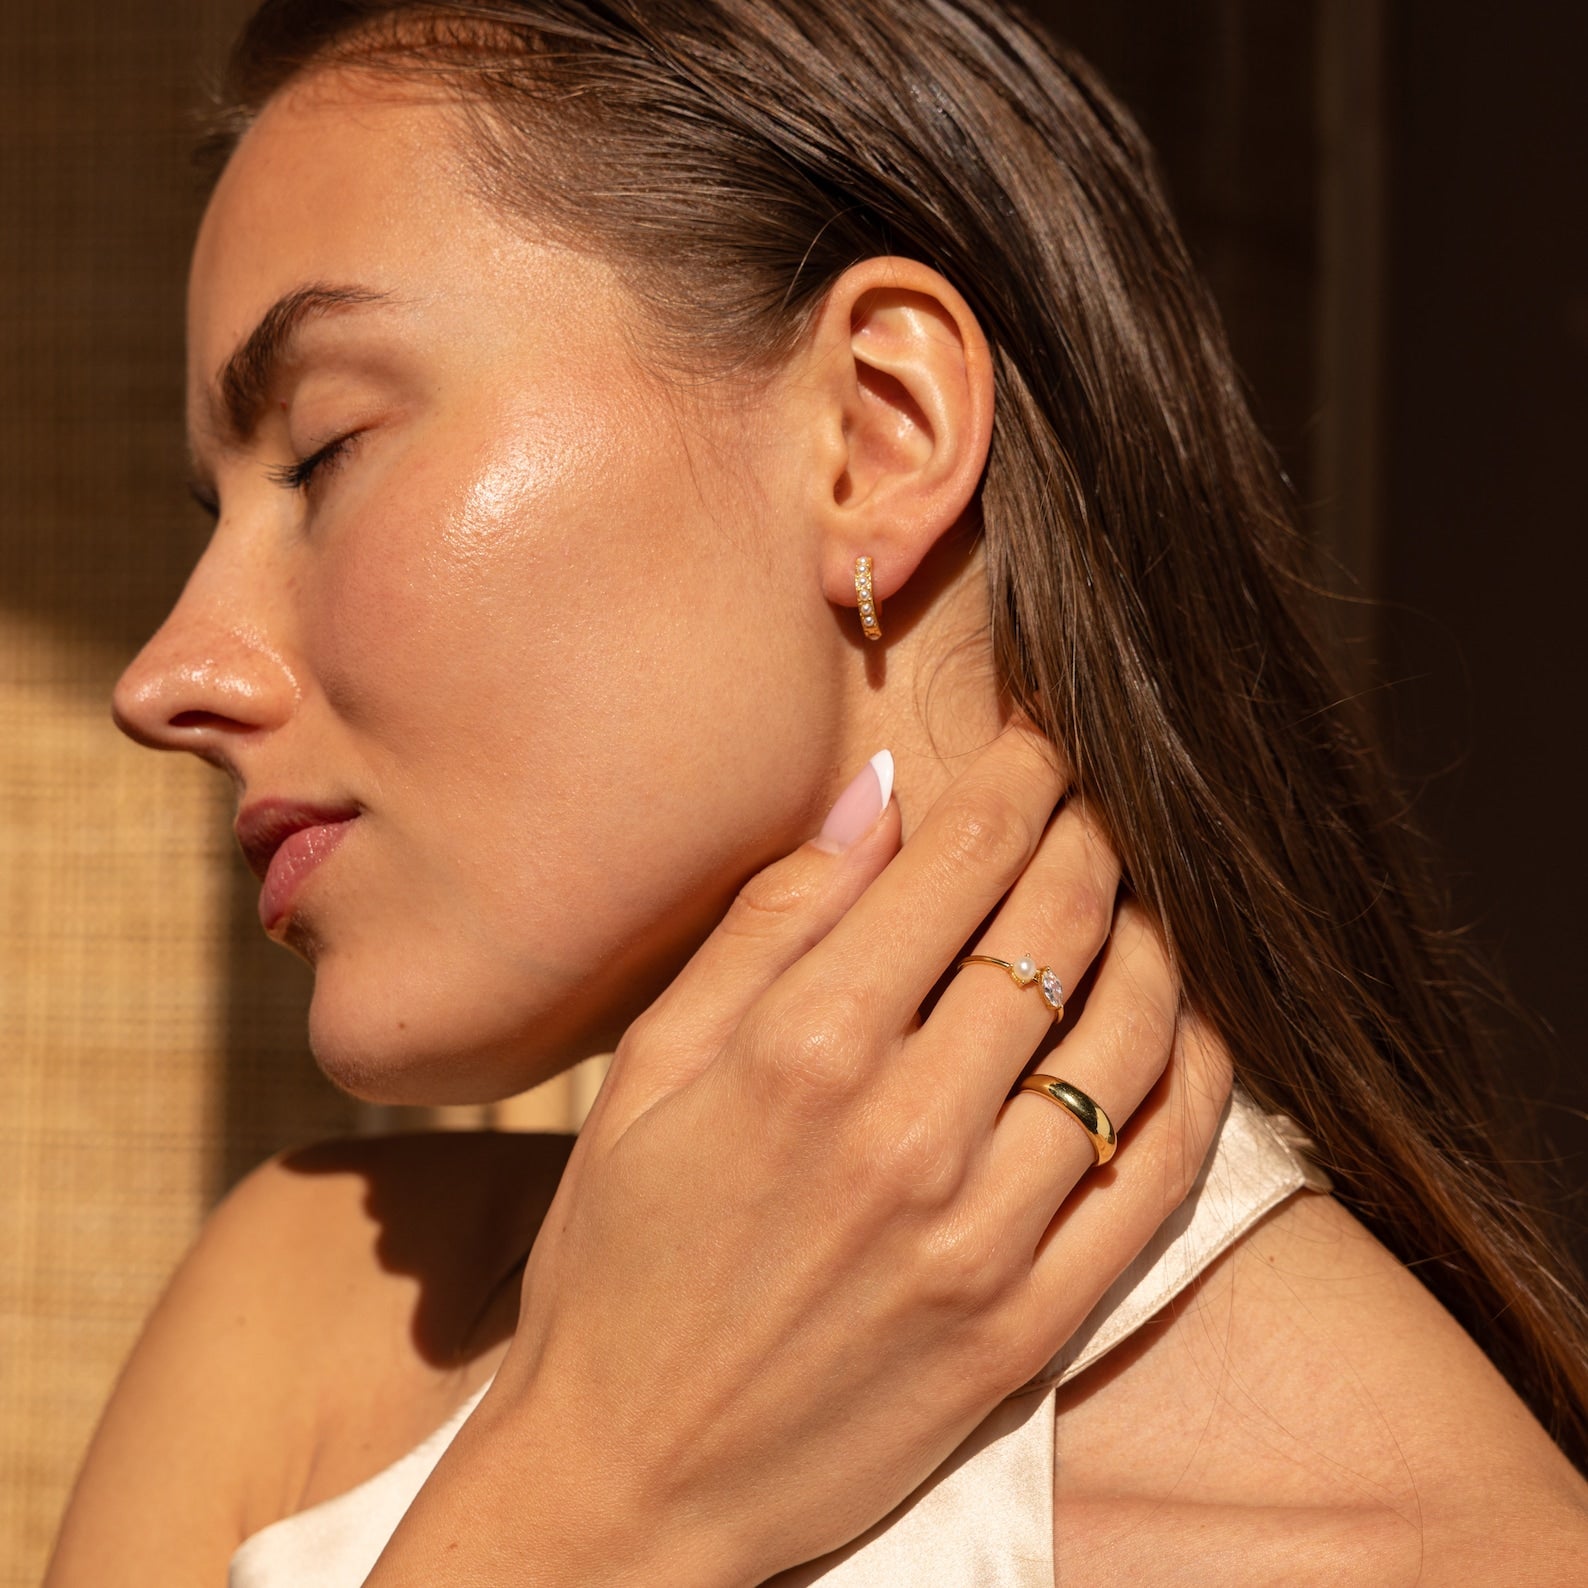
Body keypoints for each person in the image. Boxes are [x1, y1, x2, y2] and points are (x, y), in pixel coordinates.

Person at [44, 1, 1588, 1582]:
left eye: (321, 454)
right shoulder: (298, 1324)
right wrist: (593, 1491)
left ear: (877, 432)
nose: (167, 675)